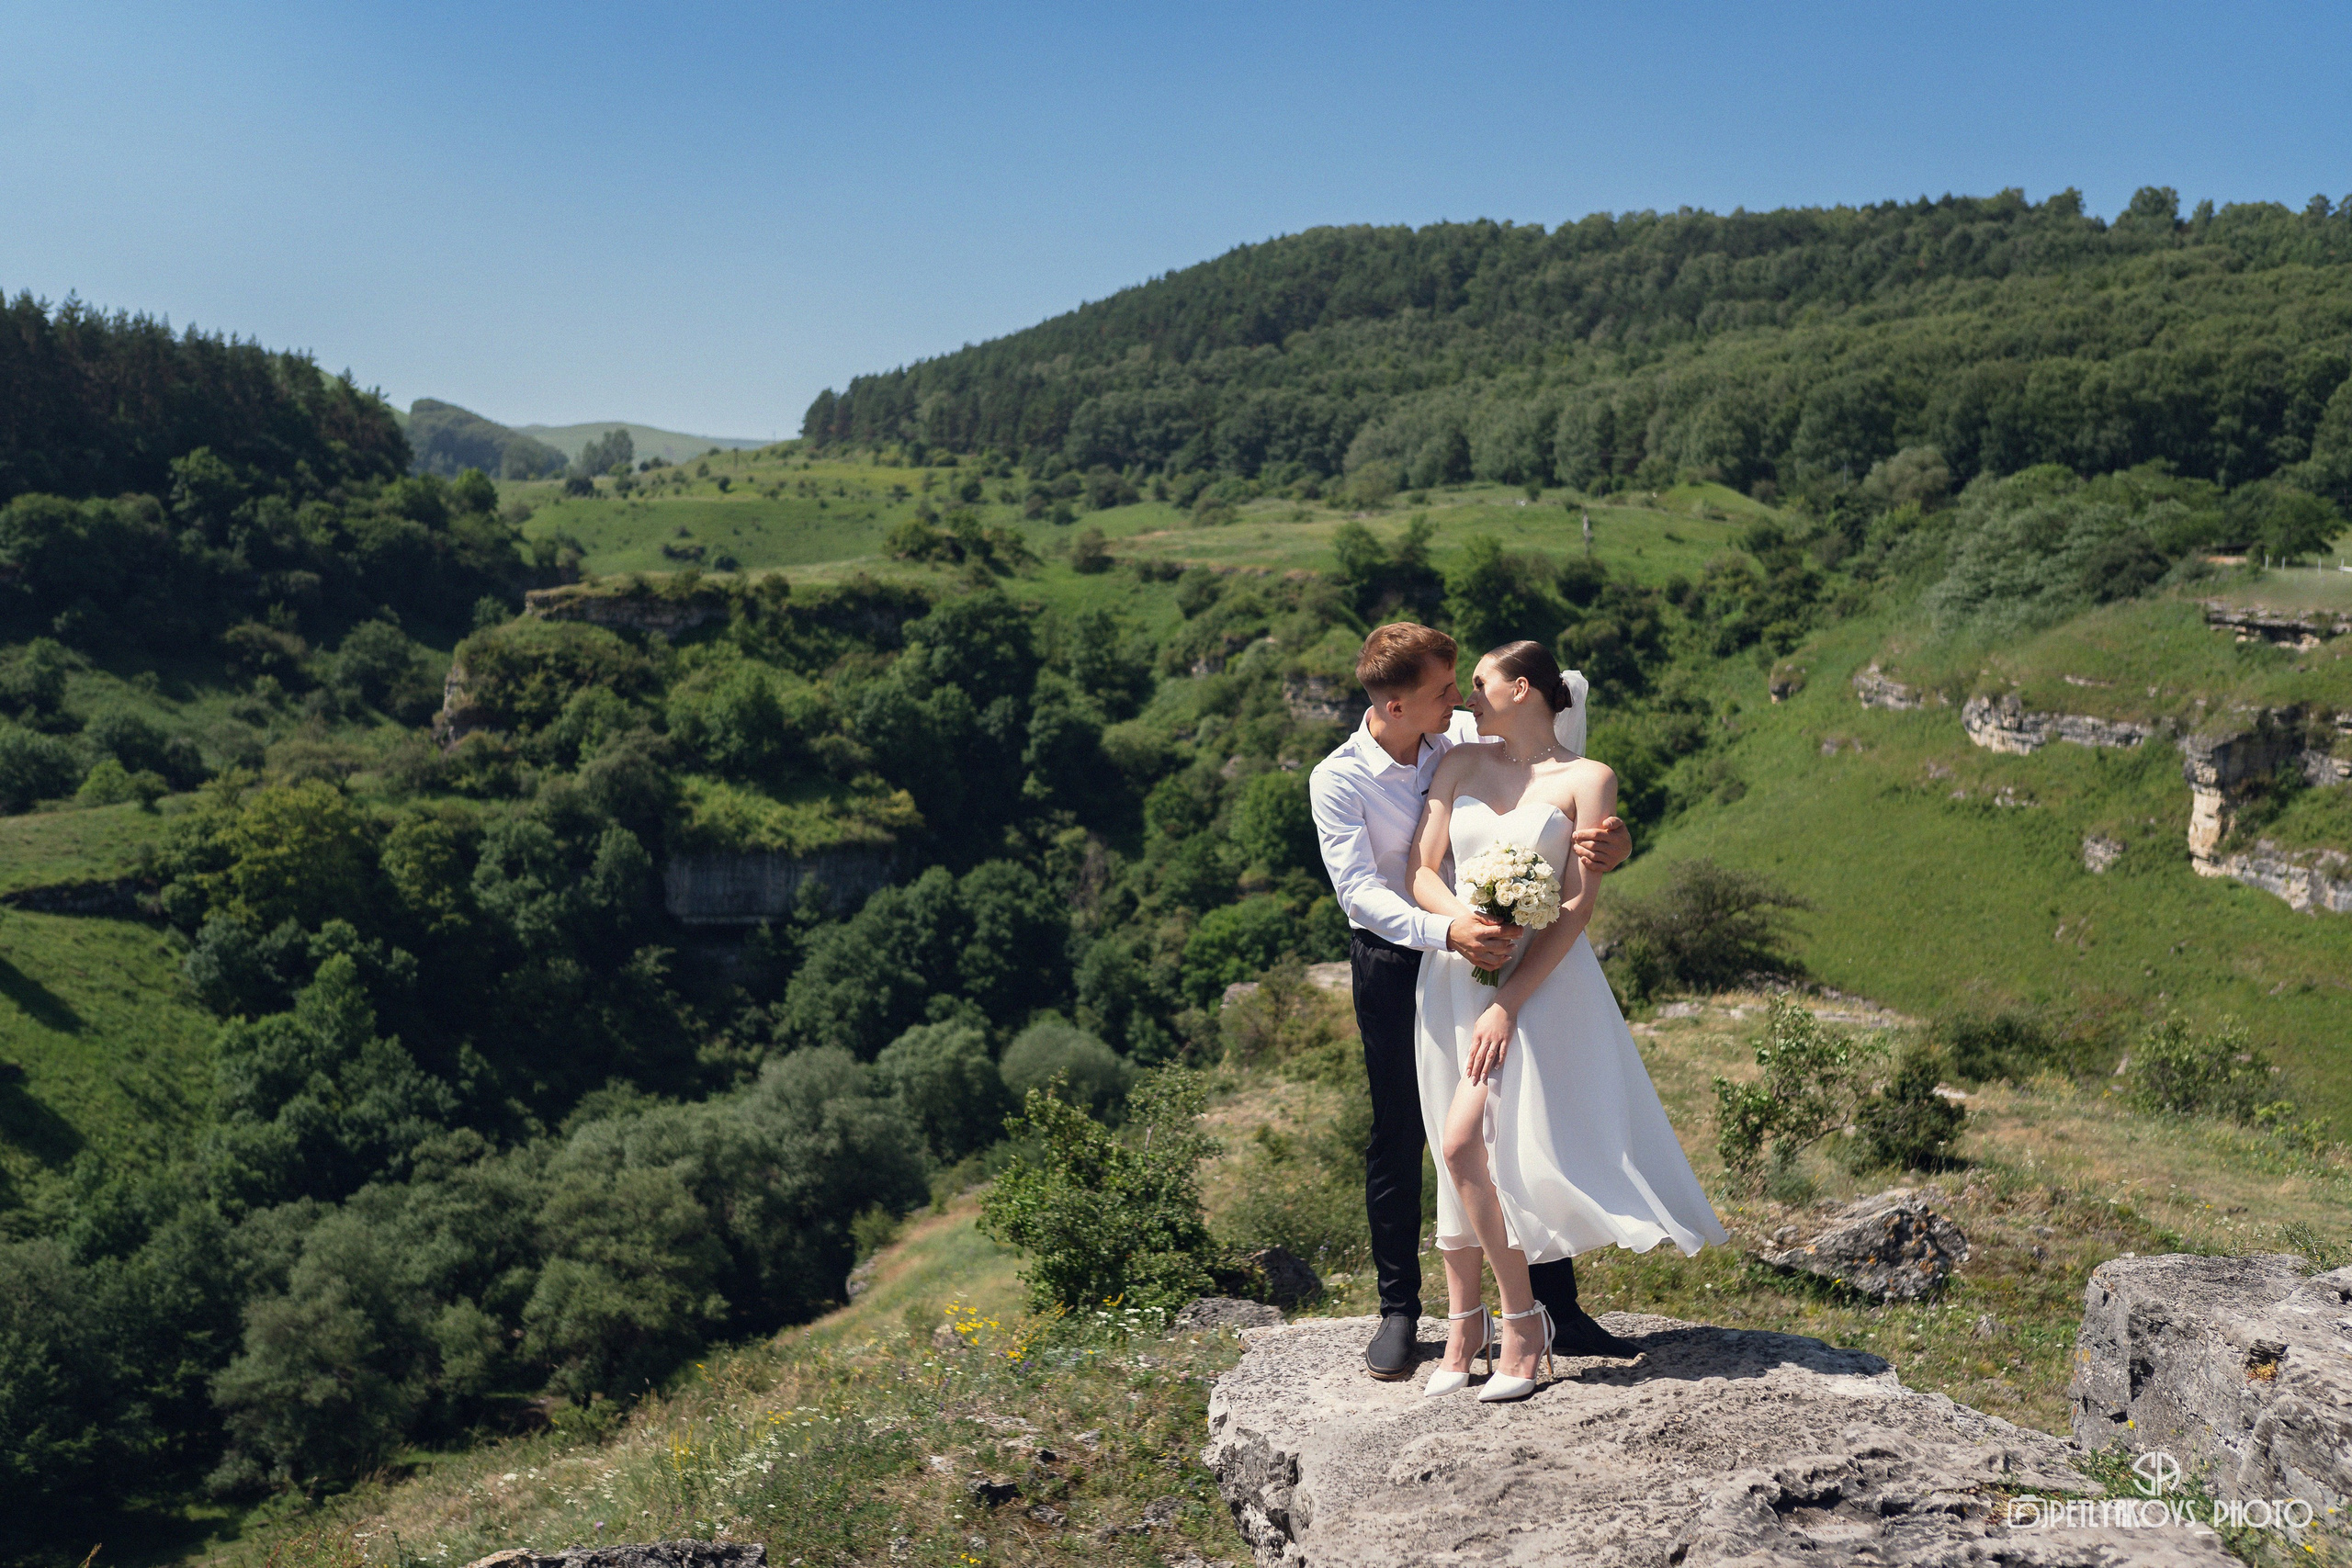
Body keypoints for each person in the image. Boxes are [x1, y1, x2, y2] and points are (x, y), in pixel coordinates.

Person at [1307, 623, 1634, 1382]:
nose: (1458, 700)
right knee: (1399, 1131)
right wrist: (1448, 928)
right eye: (1442, 691)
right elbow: (1359, 893)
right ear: (1396, 704)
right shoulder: (1336, 779)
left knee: (1518, 1114)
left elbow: (1554, 729)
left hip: (1496, 945)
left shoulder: (1458, 730)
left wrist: (1613, 845)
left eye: (1460, 687)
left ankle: (1558, 1307)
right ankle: (1401, 1310)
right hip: (1398, 955)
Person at [1411, 639, 1730, 1401]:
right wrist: (1468, 923)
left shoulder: (1590, 779)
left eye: (1480, 684)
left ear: (1522, 688)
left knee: (1478, 1145)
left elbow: (1579, 904)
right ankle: (1465, 1323)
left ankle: (1525, 1323)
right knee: (1451, 1147)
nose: (1466, 700)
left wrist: (1509, 999)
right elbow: (1422, 871)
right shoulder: (1458, 764)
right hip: (1453, 972)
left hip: (1539, 987)